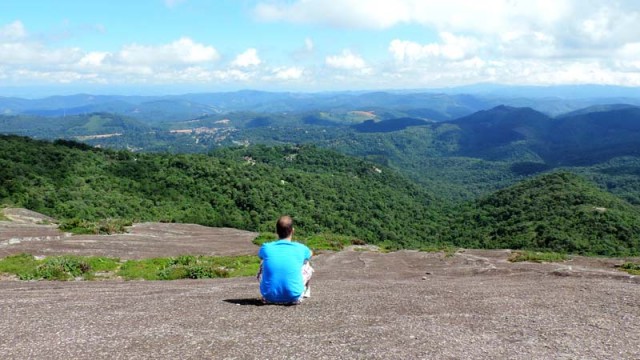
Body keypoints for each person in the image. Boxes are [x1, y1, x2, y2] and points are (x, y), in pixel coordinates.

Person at [257, 215, 313, 304]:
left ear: (276, 231)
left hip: (268, 297)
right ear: (292, 231)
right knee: (307, 263)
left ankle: (272, 289)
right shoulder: (301, 248)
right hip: (294, 298)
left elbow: (260, 256)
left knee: (263, 262)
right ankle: (304, 291)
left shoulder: (266, 247)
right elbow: (310, 254)